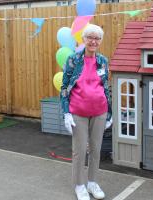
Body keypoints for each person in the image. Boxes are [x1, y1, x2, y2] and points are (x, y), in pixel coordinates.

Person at [60, 24, 112, 200]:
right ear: (84, 39)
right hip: (78, 112)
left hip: (100, 111)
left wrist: (109, 114)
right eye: (90, 37)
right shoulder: (73, 60)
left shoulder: (103, 61)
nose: (93, 41)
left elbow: (106, 87)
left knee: (96, 150)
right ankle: (79, 185)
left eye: (97, 38)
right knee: (80, 151)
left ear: (100, 41)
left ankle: (92, 182)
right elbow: (64, 88)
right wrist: (66, 113)